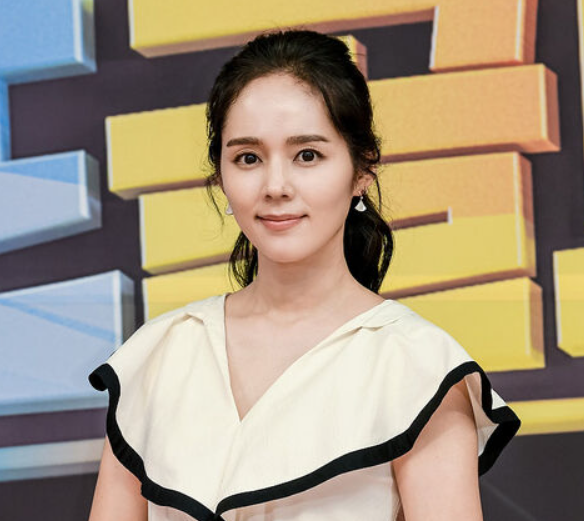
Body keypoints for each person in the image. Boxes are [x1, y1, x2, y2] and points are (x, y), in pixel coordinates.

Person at [87, 29, 521, 521]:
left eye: (307, 155)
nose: (275, 186)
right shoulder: (161, 354)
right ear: (221, 176)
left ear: (362, 170)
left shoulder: (416, 366)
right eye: (248, 158)